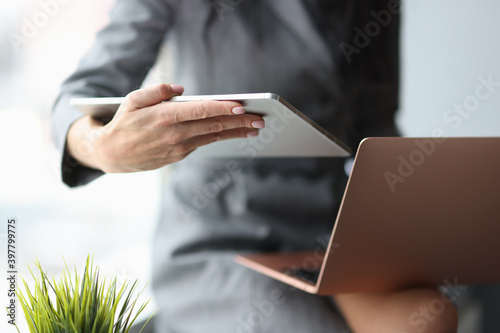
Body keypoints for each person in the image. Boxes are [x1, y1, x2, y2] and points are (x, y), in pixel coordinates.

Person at [52, 0, 459, 332]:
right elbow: (79, 94)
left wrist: (417, 221)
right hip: (220, 235)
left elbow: (377, 128)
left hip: (330, 234)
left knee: (430, 318)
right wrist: (101, 148)